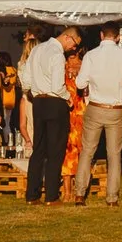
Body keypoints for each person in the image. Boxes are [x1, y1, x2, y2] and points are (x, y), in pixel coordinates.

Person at [73, 21, 122, 207]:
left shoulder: (91, 55)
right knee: (114, 154)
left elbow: (80, 84)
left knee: (87, 152)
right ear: (117, 37)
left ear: (101, 35)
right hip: (116, 109)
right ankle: (111, 198)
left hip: (95, 106)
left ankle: (79, 194)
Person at [20, 24, 78, 205]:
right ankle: (51, 195)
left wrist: (31, 92)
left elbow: (26, 79)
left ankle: (32, 194)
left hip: (38, 101)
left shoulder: (36, 50)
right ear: (68, 37)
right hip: (55, 101)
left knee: (39, 149)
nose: (74, 48)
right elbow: (57, 86)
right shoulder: (57, 54)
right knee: (55, 151)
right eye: (75, 44)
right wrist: (68, 97)